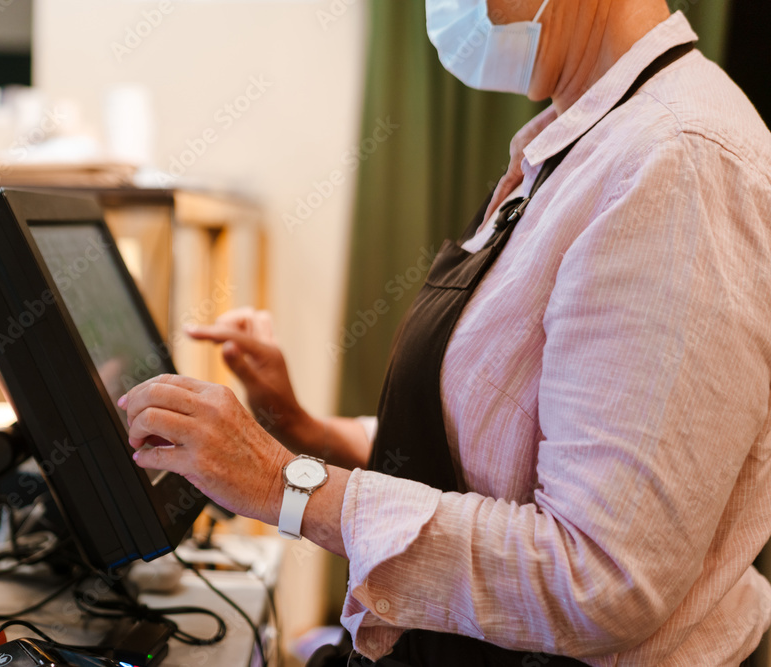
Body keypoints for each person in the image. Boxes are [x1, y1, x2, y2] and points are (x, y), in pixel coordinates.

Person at [117, 0, 771, 664]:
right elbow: (497, 451)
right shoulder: (578, 141)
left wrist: (283, 483)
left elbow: (598, 578)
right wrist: (301, 426)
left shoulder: (678, 162)